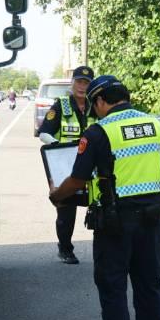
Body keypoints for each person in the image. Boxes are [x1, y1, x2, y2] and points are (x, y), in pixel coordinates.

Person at [49, 75, 160, 320]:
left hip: (115, 223)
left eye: (95, 106)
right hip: (153, 219)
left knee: (113, 285)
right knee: (149, 283)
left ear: (101, 101)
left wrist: (56, 196)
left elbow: (78, 179)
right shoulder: (155, 125)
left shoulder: (99, 131)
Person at [38, 65, 96, 264]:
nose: (82, 87)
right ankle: (65, 248)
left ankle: (103, 249)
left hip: (92, 164)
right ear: (72, 83)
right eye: (79, 82)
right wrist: (55, 145)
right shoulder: (61, 105)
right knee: (66, 209)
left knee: (99, 205)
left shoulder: (97, 104)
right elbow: (44, 132)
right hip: (65, 166)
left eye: (86, 83)